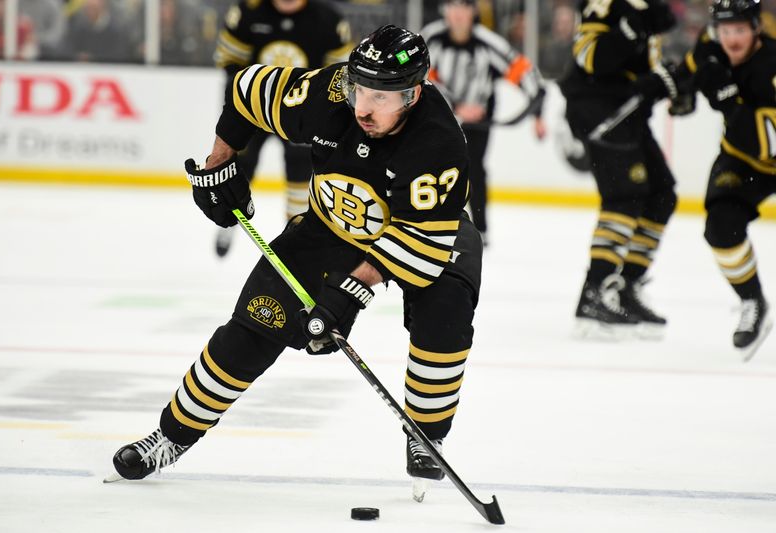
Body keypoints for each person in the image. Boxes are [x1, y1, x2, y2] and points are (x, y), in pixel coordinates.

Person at [109, 25, 483, 496]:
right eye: (358, 88)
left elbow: (420, 242)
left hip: (431, 233)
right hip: (330, 226)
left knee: (445, 316)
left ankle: (427, 436)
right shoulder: (327, 96)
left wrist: (349, 293)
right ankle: (170, 436)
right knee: (249, 330)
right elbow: (247, 90)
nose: (362, 107)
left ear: (413, 94)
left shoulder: (438, 144)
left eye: (380, 97)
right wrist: (218, 165)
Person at [558, 0, 684, 340]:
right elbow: (591, 58)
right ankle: (594, 293)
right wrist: (634, 28)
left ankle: (625, 287)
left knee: (661, 195)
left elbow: (637, 75)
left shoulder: (648, 7)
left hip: (628, 113)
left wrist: (662, 82)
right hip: (599, 110)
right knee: (623, 197)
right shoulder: (608, 5)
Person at [213, 0, 352, 257]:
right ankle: (229, 219)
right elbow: (230, 63)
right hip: (256, 107)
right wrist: (239, 106)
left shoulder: (329, 20)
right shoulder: (247, 12)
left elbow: (341, 77)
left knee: (301, 170)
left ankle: (296, 234)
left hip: (303, 110)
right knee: (242, 164)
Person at [683, 0, 774, 359]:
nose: (731, 40)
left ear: (756, 29)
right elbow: (689, 69)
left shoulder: (771, 68)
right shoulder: (713, 46)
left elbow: (767, 143)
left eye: (739, 30)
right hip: (740, 160)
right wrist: (657, 86)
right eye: (725, 31)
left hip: (763, 148)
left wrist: (728, 101)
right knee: (721, 228)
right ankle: (753, 301)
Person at [421, 0, 547, 245]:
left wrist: (537, 113)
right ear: (444, 10)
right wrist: (456, 107)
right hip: (439, 120)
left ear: (473, 11)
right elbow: (420, 77)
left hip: (477, 124)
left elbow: (523, 72)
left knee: (474, 171)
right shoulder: (431, 39)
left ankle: (480, 230)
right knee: (434, 170)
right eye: (452, 6)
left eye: (463, 7)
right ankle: (432, 226)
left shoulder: (487, 43)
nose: (457, 13)